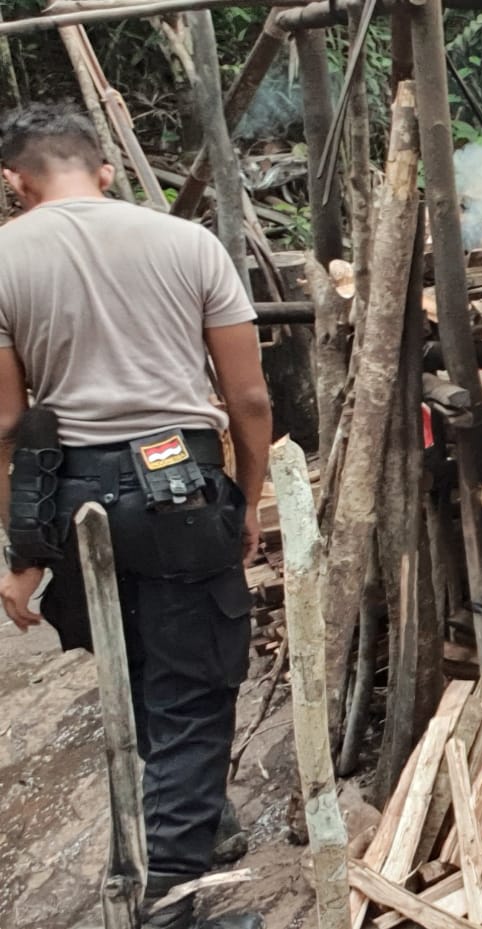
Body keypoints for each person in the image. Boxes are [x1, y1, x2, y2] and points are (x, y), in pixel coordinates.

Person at [0, 103, 270, 929]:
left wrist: (21, 547)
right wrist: (248, 501)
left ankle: (189, 822)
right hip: (181, 485)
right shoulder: (188, 242)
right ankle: (172, 908)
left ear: (15, 181)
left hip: (73, 491)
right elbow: (250, 396)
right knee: (192, 691)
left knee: (142, 669)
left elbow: (9, 424)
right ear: (105, 169)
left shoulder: (2, 257)